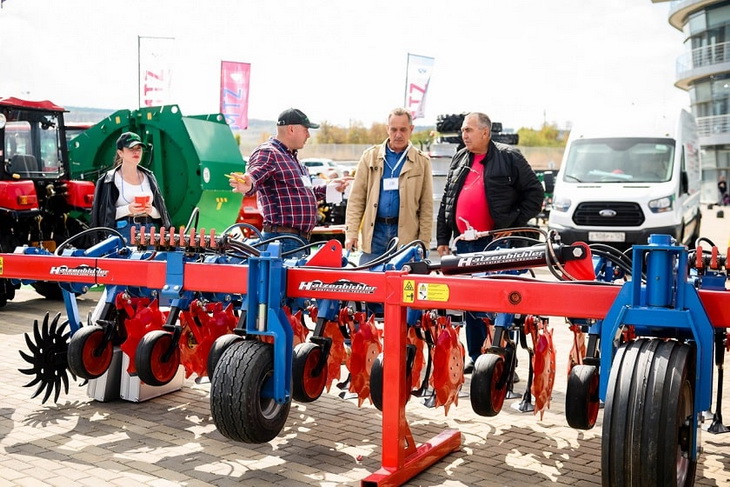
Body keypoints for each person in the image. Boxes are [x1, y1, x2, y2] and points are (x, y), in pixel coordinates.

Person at [436, 112, 544, 372]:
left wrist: (512, 224)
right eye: (463, 130)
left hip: (495, 244)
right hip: (465, 244)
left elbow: (535, 194)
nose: (464, 135)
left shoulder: (509, 157)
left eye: (469, 130)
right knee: (471, 304)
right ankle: (475, 356)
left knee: (498, 303)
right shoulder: (460, 157)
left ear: (485, 132)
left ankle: (505, 360)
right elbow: (447, 200)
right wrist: (443, 238)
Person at [228, 108, 348, 255]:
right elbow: (255, 176)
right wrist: (249, 183)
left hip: (296, 240)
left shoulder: (294, 160)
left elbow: (304, 193)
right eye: (306, 130)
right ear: (291, 129)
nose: (308, 135)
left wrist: (331, 188)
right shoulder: (268, 152)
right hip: (283, 240)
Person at [345, 108, 433, 264]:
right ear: (387, 129)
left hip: (406, 236)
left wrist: (424, 243)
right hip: (375, 234)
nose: (398, 134)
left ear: (411, 130)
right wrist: (351, 233)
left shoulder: (422, 162)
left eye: (403, 129)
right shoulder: (369, 157)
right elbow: (356, 199)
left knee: (403, 286)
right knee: (370, 285)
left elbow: (426, 207)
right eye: (393, 129)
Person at [90, 131, 171, 237]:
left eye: (139, 149)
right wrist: (128, 209)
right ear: (120, 153)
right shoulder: (109, 179)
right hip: (123, 232)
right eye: (131, 149)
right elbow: (103, 216)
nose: (136, 152)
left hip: (149, 230)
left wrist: (151, 210)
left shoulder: (149, 177)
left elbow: (161, 214)